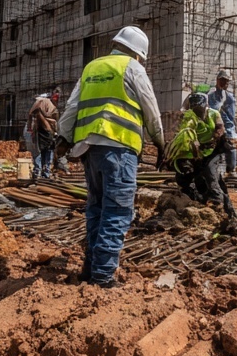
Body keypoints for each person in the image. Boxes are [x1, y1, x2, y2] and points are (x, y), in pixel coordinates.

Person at [56, 25, 164, 288]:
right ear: (139, 54)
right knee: (116, 212)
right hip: (119, 148)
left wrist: (64, 137)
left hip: (89, 150)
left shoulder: (92, 68)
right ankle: (102, 277)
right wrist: (160, 142)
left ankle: (90, 267)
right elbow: (150, 109)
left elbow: (72, 107)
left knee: (96, 209)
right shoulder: (132, 68)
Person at [167, 91, 236, 218]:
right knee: (185, 176)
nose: (196, 110)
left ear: (205, 105)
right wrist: (195, 146)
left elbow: (220, 129)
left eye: (199, 107)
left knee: (210, 173)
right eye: (193, 107)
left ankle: (219, 203)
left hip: (213, 151)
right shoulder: (189, 116)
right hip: (196, 152)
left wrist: (212, 140)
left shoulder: (213, 114)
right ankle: (192, 200)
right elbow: (187, 132)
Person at [207, 70, 237, 175]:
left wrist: (228, 130)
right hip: (212, 126)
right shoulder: (210, 96)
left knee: (230, 147)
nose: (225, 83)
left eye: (227, 81)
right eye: (223, 80)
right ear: (217, 80)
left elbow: (230, 116)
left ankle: (231, 170)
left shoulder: (229, 98)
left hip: (225, 127)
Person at [28, 87, 61, 179]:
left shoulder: (43, 104)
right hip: (44, 131)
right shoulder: (46, 104)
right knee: (45, 152)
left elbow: (31, 116)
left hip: (45, 132)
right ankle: (42, 172)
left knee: (42, 151)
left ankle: (40, 171)